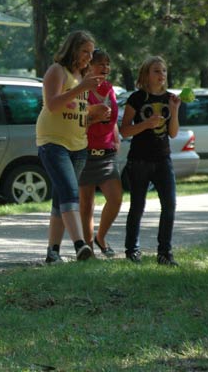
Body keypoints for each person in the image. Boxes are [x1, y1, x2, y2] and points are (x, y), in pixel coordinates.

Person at [36, 30, 110, 263]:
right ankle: (80, 246)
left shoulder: (81, 76)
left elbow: (76, 112)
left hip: (78, 145)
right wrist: (82, 88)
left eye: (91, 52)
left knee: (61, 199)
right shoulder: (57, 71)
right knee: (70, 192)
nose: (89, 57)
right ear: (73, 49)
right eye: (85, 51)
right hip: (53, 141)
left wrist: (94, 115)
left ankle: (53, 253)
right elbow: (53, 105)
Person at [120, 56, 181, 266]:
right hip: (139, 160)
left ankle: (165, 253)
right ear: (146, 75)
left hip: (163, 159)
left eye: (163, 70)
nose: (161, 74)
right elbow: (124, 129)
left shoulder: (171, 98)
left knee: (170, 205)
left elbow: (173, 134)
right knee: (137, 206)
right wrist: (146, 124)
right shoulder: (136, 98)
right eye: (156, 70)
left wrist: (174, 110)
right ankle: (132, 251)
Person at [78, 49, 123, 258]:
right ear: (88, 66)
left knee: (115, 199)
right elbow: (75, 123)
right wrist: (94, 118)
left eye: (107, 64)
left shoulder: (108, 88)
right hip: (84, 151)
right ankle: (89, 250)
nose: (105, 68)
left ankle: (101, 236)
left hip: (106, 152)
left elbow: (112, 115)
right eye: (100, 64)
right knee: (86, 204)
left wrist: (115, 135)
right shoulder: (81, 90)